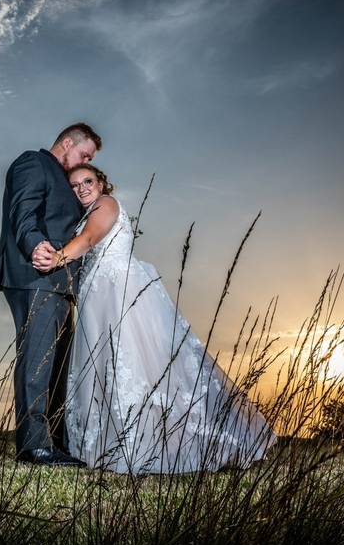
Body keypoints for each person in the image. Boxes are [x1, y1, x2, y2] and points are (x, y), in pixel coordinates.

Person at [34, 164, 277, 474]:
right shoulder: (89, 210)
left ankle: (143, 442)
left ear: (101, 183)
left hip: (118, 294)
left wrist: (57, 257)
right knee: (107, 366)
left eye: (88, 181)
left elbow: (91, 238)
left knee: (133, 365)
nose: (82, 188)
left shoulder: (106, 204)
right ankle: (116, 442)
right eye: (75, 184)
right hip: (99, 297)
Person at [0, 123, 102, 467]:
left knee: (57, 365)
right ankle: (33, 446)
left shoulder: (66, 182)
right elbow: (22, 211)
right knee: (38, 359)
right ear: (67, 143)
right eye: (84, 154)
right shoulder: (33, 163)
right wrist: (34, 245)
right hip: (35, 275)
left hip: (59, 283)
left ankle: (54, 441)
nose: (85, 162)